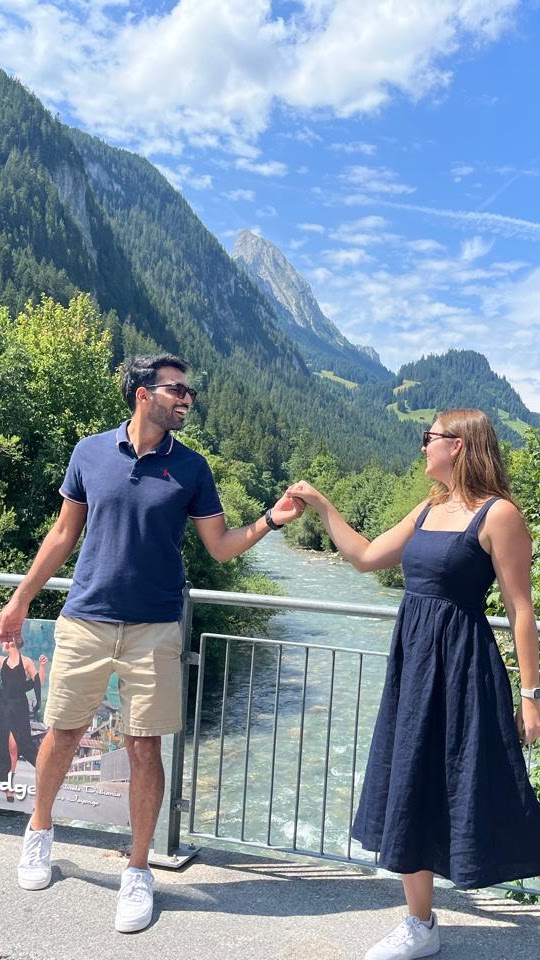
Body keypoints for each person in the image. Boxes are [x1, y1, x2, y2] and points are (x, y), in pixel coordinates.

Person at [0, 354, 303, 934]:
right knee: (62, 733)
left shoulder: (191, 467)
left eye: (190, 392)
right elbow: (63, 533)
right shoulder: (90, 452)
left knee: (144, 749)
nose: (187, 399)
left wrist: (272, 519)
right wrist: (19, 600)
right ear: (143, 393)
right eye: (177, 390)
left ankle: (138, 869)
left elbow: (220, 547)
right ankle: (39, 830)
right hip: (85, 619)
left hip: (156, 628)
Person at [288, 408, 540, 960]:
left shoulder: (499, 515)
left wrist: (531, 696)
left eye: (430, 437)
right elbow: (365, 558)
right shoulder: (430, 507)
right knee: (409, 779)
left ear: (459, 445)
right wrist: (323, 505)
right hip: (414, 664)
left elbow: (521, 610)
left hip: (464, 665)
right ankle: (420, 923)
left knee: (477, 781)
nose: (423, 445)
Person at [0, 637, 48, 800]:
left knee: (17, 746)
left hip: (19, 707)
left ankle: (43, 772)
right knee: (6, 747)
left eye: (4, 641)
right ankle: (8, 787)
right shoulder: (1, 661)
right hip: (3, 706)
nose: (2, 644)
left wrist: (42, 667)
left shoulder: (26, 662)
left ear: (12, 642)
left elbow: (38, 682)